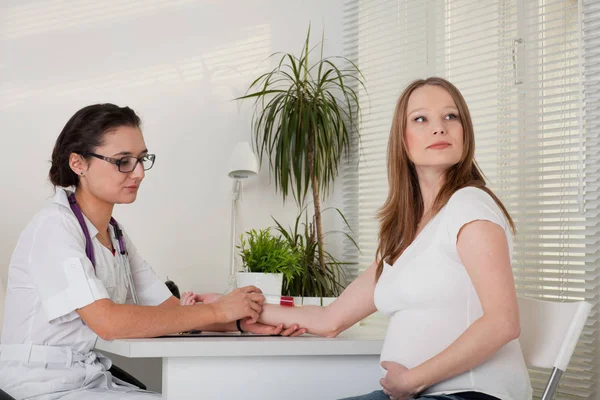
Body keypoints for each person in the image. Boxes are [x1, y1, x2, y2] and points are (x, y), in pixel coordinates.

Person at [0, 104, 304, 400]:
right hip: (40, 386)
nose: (139, 173)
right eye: (123, 161)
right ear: (78, 163)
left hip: (87, 380)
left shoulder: (114, 234)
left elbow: (171, 310)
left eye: (142, 159)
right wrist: (219, 310)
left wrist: (238, 323)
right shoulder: (54, 227)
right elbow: (108, 322)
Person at [258, 77, 533, 400]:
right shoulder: (404, 233)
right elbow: (329, 319)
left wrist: (412, 380)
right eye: (421, 119)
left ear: (465, 131)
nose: (439, 128)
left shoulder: (469, 204)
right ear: (402, 140)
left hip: (470, 393)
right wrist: (236, 312)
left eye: (451, 116)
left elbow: (503, 323)